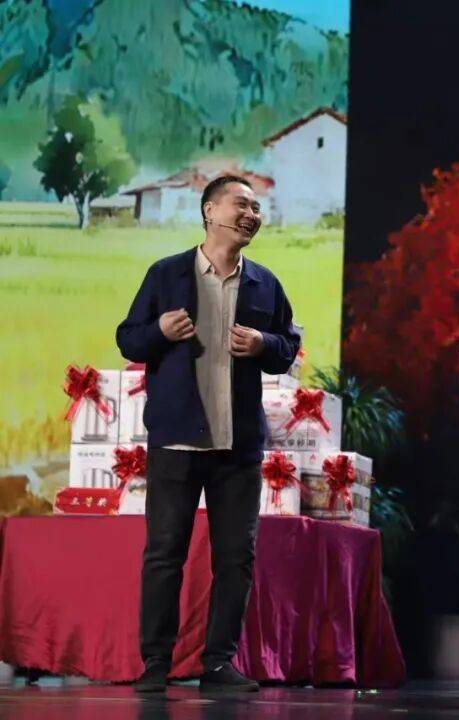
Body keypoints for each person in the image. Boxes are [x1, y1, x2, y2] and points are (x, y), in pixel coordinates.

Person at [116, 175, 301, 693]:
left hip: (237, 446)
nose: (252, 215)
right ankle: (156, 662)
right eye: (242, 205)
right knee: (164, 555)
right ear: (210, 211)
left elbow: (287, 347)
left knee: (235, 559)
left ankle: (218, 664)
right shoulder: (166, 274)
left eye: (257, 208)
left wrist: (263, 343)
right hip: (177, 441)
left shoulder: (265, 283)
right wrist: (159, 332)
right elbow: (128, 339)